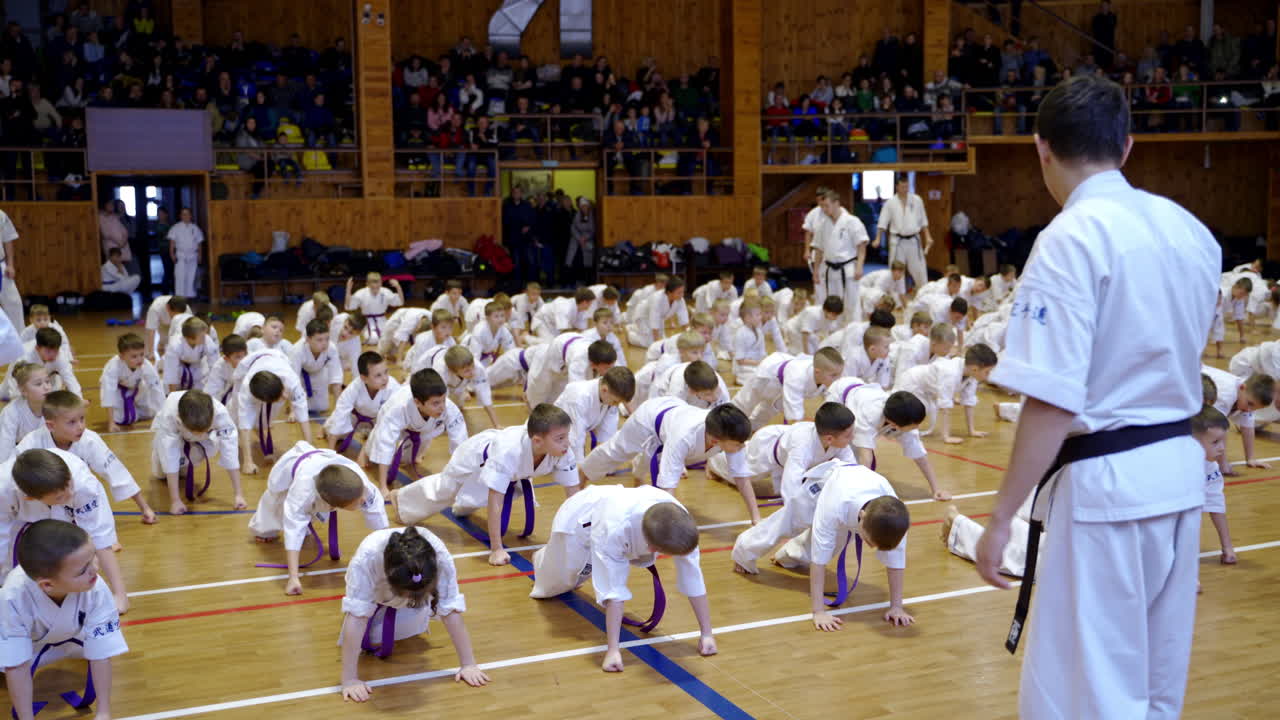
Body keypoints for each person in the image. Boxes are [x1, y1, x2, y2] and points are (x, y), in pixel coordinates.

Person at [973, 76, 1219, 719]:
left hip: (1108, 485)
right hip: (1179, 468)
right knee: (1156, 681)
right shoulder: (1190, 230)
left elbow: (1052, 400)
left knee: (1092, 689)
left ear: (1041, 148)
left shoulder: (1070, 238)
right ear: (1127, 146)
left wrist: (1001, 517)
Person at [529, 484, 717, 672]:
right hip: (579, 519)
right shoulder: (613, 529)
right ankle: (541, 557)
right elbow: (614, 591)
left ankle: (567, 567)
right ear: (652, 548)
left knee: (582, 577)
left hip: (617, 506)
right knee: (553, 586)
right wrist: (613, 650)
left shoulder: (680, 524)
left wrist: (707, 633)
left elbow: (693, 576)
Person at [392, 404, 578, 566]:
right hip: (475, 457)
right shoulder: (509, 450)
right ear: (537, 441)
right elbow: (495, 498)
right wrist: (496, 548)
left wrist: (577, 534)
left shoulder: (561, 449)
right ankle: (401, 499)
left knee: (471, 503)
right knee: (446, 489)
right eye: (560, 438)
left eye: (566, 436)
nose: (567, 443)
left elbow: (573, 495)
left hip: (512, 472)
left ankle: (462, 507)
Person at [339, 526, 488, 702]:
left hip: (414, 596)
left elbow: (451, 610)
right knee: (367, 637)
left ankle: (416, 604)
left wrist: (468, 664)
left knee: (408, 631)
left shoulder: (439, 557)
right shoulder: (366, 558)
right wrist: (349, 679)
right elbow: (357, 618)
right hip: (380, 593)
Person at [0, 520, 128, 720]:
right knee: (11, 663)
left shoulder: (95, 586)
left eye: (93, 557)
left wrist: (104, 712)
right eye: (82, 570)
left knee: (101, 650)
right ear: (48, 585)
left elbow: (101, 652)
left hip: (77, 641)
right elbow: (16, 665)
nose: (94, 569)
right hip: (31, 646)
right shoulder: (13, 595)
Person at [249, 441, 388, 595]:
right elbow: (293, 530)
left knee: (312, 513)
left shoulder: (362, 486)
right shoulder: (302, 493)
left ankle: (310, 520)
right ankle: (263, 530)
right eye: (357, 501)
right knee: (275, 501)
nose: (363, 500)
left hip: (327, 469)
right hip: (292, 466)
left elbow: (381, 530)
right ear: (335, 506)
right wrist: (293, 578)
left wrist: (388, 561)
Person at [0, 450, 129, 613]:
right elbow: (2, 540)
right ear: (30, 498)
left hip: (66, 509)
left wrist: (120, 594)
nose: (70, 494)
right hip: (20, 517)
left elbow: (101, 537)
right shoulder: (3, 488)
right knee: (10, 574)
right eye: (60, 497)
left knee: (82, 557)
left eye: (69, 485)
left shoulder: (82, 483)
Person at [18, 390, 156, 523]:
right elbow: (11, 477)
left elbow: (116, 472)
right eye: (72, 422)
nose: (80, 427)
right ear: (50, 426)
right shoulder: (32, 443)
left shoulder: (89, 440)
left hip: (74, 499)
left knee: (91, 489)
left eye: (82, 419)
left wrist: (145, 508)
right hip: (41, 502)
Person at [827, 379, 950, 500]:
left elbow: (920, 457)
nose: (917, 428)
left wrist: (936, 489)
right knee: (838, 448)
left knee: (864, 467)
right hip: (839, 394)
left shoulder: (904, 417)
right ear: (895, 425)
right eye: (915, 425)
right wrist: (862, 493)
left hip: (862, 391)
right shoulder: (870, 414)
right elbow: (865, 456)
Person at [366, 368, 468, 493]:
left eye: (443, 400)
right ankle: (364, 451)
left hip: (423, 429)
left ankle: (415, 456)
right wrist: (383, 487)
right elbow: (385, 443)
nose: (442, 407)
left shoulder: (449, 408)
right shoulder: (397, 408)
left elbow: (460, 443)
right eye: (436, 403)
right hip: (393, 421)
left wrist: (461, 478)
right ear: (417, 402)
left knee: (408, 460)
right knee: (374, 452)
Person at [894, 343, 999, 443]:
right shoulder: (950, 373)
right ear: (975, 369)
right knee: (914, 412)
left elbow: (969, 402)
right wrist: (946, 437)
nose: (988, 376)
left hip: (927, 388)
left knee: (926, 409)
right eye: (987, 372)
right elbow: (944, 407)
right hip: (911, 381)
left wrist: (972, 431)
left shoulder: (972, 374)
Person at [232, 348, 313, 475]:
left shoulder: (291, 380)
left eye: (283, 393)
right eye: (280, 397)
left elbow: (303, 417)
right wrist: (248, 461)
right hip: (247, 368)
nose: (286, 398)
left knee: (265, 422)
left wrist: (310, 449)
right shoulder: (245, 390)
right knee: (237, 419)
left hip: (277, 360)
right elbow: (244, 426)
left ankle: (260, 430)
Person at [732, 347, 845, 430]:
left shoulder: (825, 371)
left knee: (766, 413)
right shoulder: (798, 376)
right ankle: (723, 427)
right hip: (767, 376)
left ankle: (748, 431)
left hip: (783, 384)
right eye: (834, 375)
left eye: (839, 374)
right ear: (817, 372)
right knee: (744, 405)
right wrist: (814, 424)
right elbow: (795, 418)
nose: (838, 378)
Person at [808, 189, 869, 321]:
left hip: (848, 269)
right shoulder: (822, 224)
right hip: (829, 269)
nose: (824, 209)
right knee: (831, 303)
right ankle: (834, 334)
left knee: (851, 302)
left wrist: (859, 266)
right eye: (822, 206)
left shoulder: (852, 221)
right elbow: (818, 249)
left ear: (836, 203)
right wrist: (816, 270)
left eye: (826, 206)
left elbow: (861, 246)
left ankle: (853, 332)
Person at [326, 351, 399, 460]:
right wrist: (330, 453)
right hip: (354, 418)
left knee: (381, 445)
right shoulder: (354, 388)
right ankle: (326, 426)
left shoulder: (393, 387)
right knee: (334, 431)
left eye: (386, 372)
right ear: (364, 378)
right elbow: (340, 414)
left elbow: (392, 421)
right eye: (378, 375)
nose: (385, 378)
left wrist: (364, 452)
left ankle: (368, 435)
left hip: (376, 421)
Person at [874, 175, 932, 290]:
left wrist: (928, 236)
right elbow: (883, 222)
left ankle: (924, 294)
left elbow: (923, 220)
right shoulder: (890, 203)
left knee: (919, 268)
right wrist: (878, 238)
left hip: (913, 240)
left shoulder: (917, 200)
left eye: (907, 186)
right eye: (902, 187)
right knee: (896, 270)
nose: (905, 189)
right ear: (897, 187)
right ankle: (897, 300)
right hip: (897, 241)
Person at [100, 333, 164, 432]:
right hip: (118, 390)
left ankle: (133, 408)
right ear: (121, 356)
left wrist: (163, 415)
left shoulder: (146, 365)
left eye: (142, 354)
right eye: (134, 356)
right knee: (121, 419)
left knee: (150, 413)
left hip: (137, 387)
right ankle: (128, 410)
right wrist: (111, 422)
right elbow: (109, 393)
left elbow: (156, 388)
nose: (139, 359)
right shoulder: (113, 367)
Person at [1, 328, 79, 398]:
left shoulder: (60, 355)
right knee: (6, 393)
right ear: (37, 348)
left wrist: (78, 399)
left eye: (56, 351)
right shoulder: (23, 357)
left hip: (48, 381)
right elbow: (15, 387)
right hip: (18, 384)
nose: (53, 355)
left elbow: (70, 378)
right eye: (48, 351)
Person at [289, 319, 343, 414]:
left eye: (327, 338)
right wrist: (292, 411)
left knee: (322, 407)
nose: (324, 343)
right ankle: (294, 401)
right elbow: (292, 380)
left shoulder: (331, 348)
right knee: (300, 409)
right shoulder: (297, 350)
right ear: (308, 339)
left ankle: (307, 400)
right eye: (319, 340)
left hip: (319, 373)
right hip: (301, 376)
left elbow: (336, 377)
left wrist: (339, 409)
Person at [0, 365, 50, 464]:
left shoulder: (55, 407)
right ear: (23, 391)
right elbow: (5, 450)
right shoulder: (11, 412)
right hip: (14, 453)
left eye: (48, 381)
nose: (46, 387)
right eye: (38, 384)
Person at [626, 276, 689, 346]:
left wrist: (689, 337)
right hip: (643, 316)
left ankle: (635, 328)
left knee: (664, 340)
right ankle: (630, 335)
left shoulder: (680, 300)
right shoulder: (657, 299)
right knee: (650, 343)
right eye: (679, 292)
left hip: (659, 318)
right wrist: (657, 343)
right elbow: (654, 320)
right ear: (669, 292)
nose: (682, 295)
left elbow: (684, 317)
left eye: (683, 292)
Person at [345, 273, 405, 343]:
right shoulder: (361, 293)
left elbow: (400, 302)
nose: (375, 290)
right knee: (373, 339)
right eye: (373, 287)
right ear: (367, 284)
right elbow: (349, 306)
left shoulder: (385, 292)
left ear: (381, 283)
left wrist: (398, 287)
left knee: (394, 337)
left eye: (378, 287)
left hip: (382, 320)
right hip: (367, 322)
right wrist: (348, 290)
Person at [163, 316, 217, 393]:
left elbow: (214, 366)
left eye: (205, 334)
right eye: (202, 336)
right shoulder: (175, 345)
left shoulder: (207, 340)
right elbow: (171, 373)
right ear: (189, 338)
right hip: (179, 366)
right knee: (171, 391)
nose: (205, 337)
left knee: (200, 391)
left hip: (197, 366)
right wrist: (173, 396)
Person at [167, 207, 204, 299]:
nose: (185, 216)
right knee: (180, 276)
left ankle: (190, 296)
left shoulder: (195, 228)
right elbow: (172, 242)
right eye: (183, 214)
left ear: (190, 215)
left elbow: (199, 243)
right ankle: (180, 297)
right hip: (181, 255)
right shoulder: (175, 228)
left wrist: (200, 255)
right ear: (180, 216)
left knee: (191, 276)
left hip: (193, 255)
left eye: (187, 214)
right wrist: (172, 254)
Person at [143, 295, 189, 361]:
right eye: (175, 314)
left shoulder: (186, 308)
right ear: (167, 308)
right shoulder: (155, 308)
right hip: (161, 322)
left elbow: (190, 327)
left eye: (179, 315)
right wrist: (151, 353)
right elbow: (151, 331)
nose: (176, 317)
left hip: (175, 325)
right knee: (161, 345)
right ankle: (161, 343)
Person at [0, 209, 21, 331]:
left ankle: (20, 340)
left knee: (14, 304)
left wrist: (10, 264)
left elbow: (8, 239)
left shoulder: (1, 215)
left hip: (1, 266)